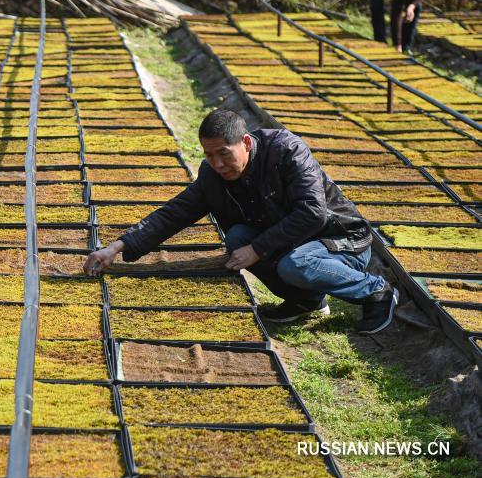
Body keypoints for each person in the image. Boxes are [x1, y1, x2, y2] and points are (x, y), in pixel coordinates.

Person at [83, 110, 399, 334]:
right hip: (298, 244)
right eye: (209, 156)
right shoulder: (213, 176)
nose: (217, 164)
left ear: (245, 143)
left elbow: (312, 213)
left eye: (224, 153)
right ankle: (307, 301)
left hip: (341, 240)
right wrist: (116, 247)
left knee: (291, 263)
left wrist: (259, 249)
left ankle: (376, 291)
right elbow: (174, 213)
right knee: (237, 237)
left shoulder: (286, 151)